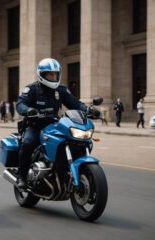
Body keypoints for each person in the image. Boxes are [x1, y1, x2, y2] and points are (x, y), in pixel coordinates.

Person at [16, 58, 98, 189]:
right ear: (41, 75)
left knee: (73, 140)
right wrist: (28, 110)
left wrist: (89, 110)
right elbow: (20, 104)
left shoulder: (61, 90)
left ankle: (62, 168)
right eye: (50, 74)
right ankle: (21, 176)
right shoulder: (32, 89)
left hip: (53, 124)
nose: (53, 77)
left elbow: (75, 104)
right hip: (35, 125)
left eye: (55, 74)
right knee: (28, 143)